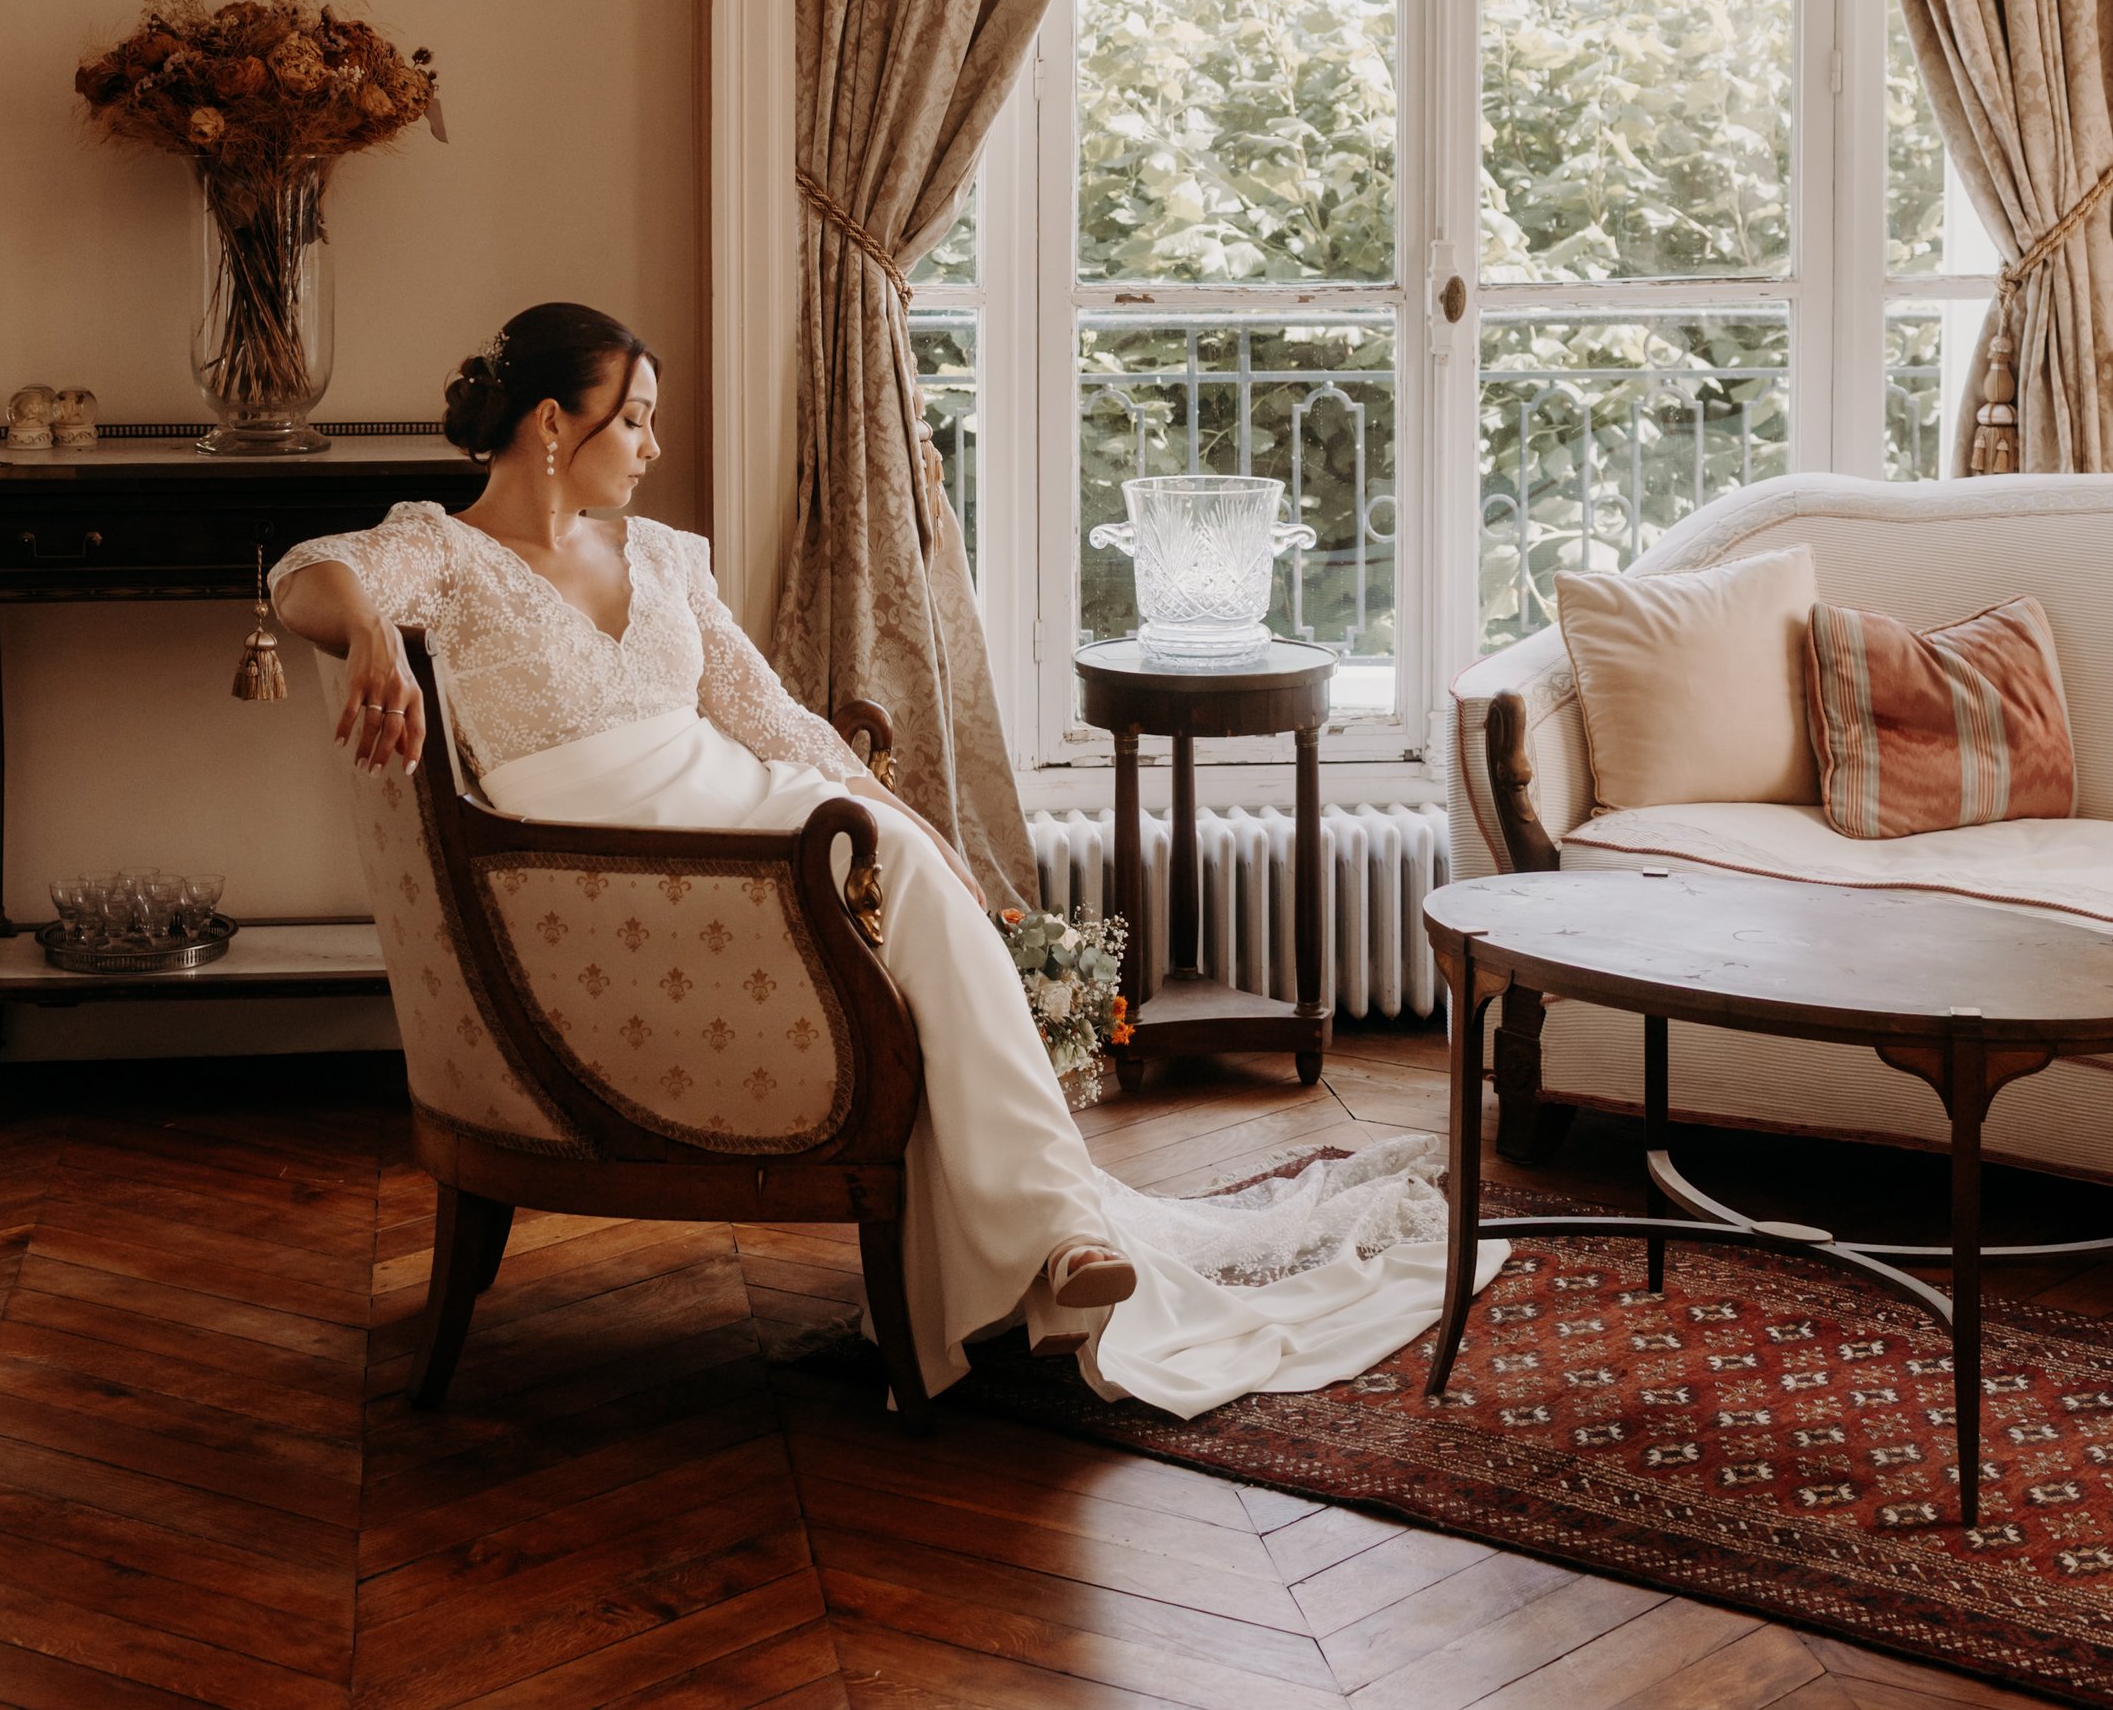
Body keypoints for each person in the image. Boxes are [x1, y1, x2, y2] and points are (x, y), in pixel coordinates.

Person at [270, 301, 1485, 1415]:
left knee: (902, 864)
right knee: (889, 873)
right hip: (619, 868)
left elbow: (771, 717)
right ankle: (1046, 1235)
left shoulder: (667, 558)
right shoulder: (439, 548)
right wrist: (376, 621)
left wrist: (913, 822)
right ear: (552, 422)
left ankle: (1053, 1235)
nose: (647, 447)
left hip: (744, 823)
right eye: (631, 420)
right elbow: (301, 580)